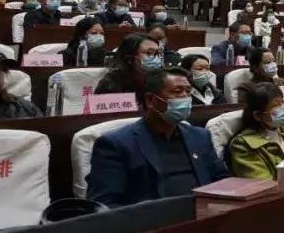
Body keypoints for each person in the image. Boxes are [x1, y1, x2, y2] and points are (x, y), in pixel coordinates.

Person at [86, 67, 228, 207]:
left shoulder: (200, 136)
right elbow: (105, 204)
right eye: (177, 92)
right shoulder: (115, 144)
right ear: (150, 100)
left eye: (188, 92)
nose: (185, 98)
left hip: (205, 213)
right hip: (152, 218)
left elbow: (222, 182)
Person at [228, 82, 284, 180]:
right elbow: (261, 184)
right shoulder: (242, 145)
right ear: (258, 116)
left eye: (282, 102)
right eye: (275, 105)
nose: (282, 108)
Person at [95, 33, 162, 104]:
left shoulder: (161, 81)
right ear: (129, 58)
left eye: (158, 53)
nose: (156, 58)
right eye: (150, 53)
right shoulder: (110, 85)